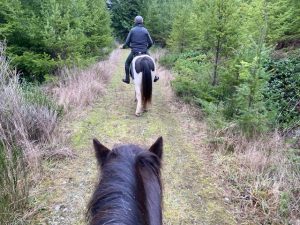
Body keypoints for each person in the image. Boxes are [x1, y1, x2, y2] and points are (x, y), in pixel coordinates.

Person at [122, 16, 159, 84]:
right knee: (152, 62)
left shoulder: (132, 30)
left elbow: (127, 42)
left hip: (134, 52)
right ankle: (155, 76)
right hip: (144, 51)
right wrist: (146, 48)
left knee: (127, 63)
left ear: (135, 22)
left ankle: (127, 79)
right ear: (142, 21)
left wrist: (130, 47)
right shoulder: (145, 30)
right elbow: (151, 43)